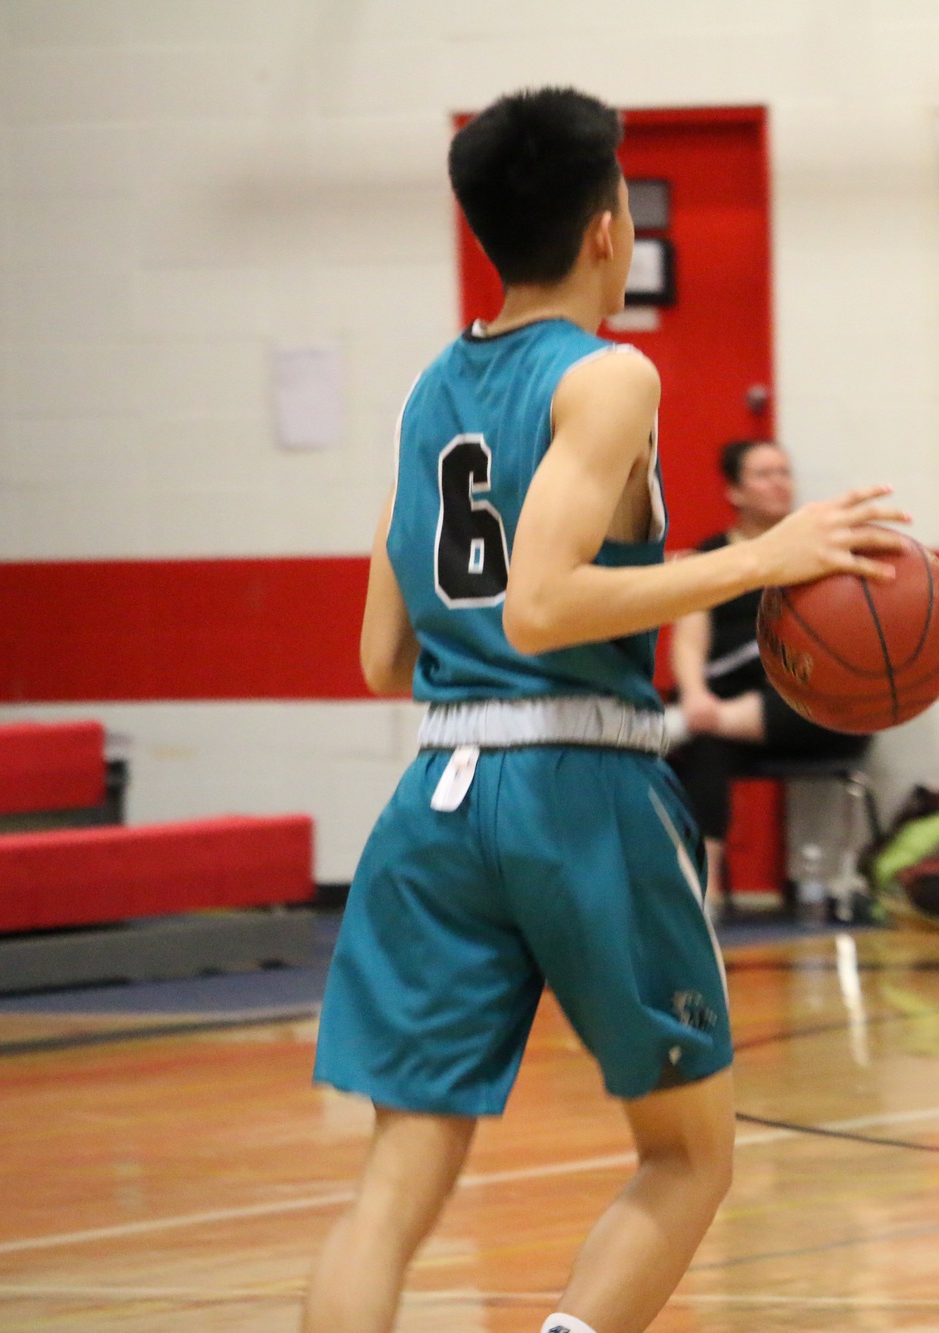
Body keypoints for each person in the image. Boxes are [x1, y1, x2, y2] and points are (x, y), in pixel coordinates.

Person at [303, 86, 904, 1333]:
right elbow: (539, 607)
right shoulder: (609, 375)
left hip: (436, 798)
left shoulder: (427, 394)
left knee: (392, 1190)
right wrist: (762, 558)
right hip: (577, 788)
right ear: (603, 230)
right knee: (687, 1156)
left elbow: (379, 656)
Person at [665, 439, 869, 912]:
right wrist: (694, 694)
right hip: (726, 706)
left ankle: (694, 721)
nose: (779, 483)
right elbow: (689, 639)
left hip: (802, 710)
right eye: (763, 474)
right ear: (735, 491)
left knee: (822, 703)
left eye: (784, 472)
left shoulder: (822, 556)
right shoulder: (710, 557)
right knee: (704, 744)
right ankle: (702, 892)